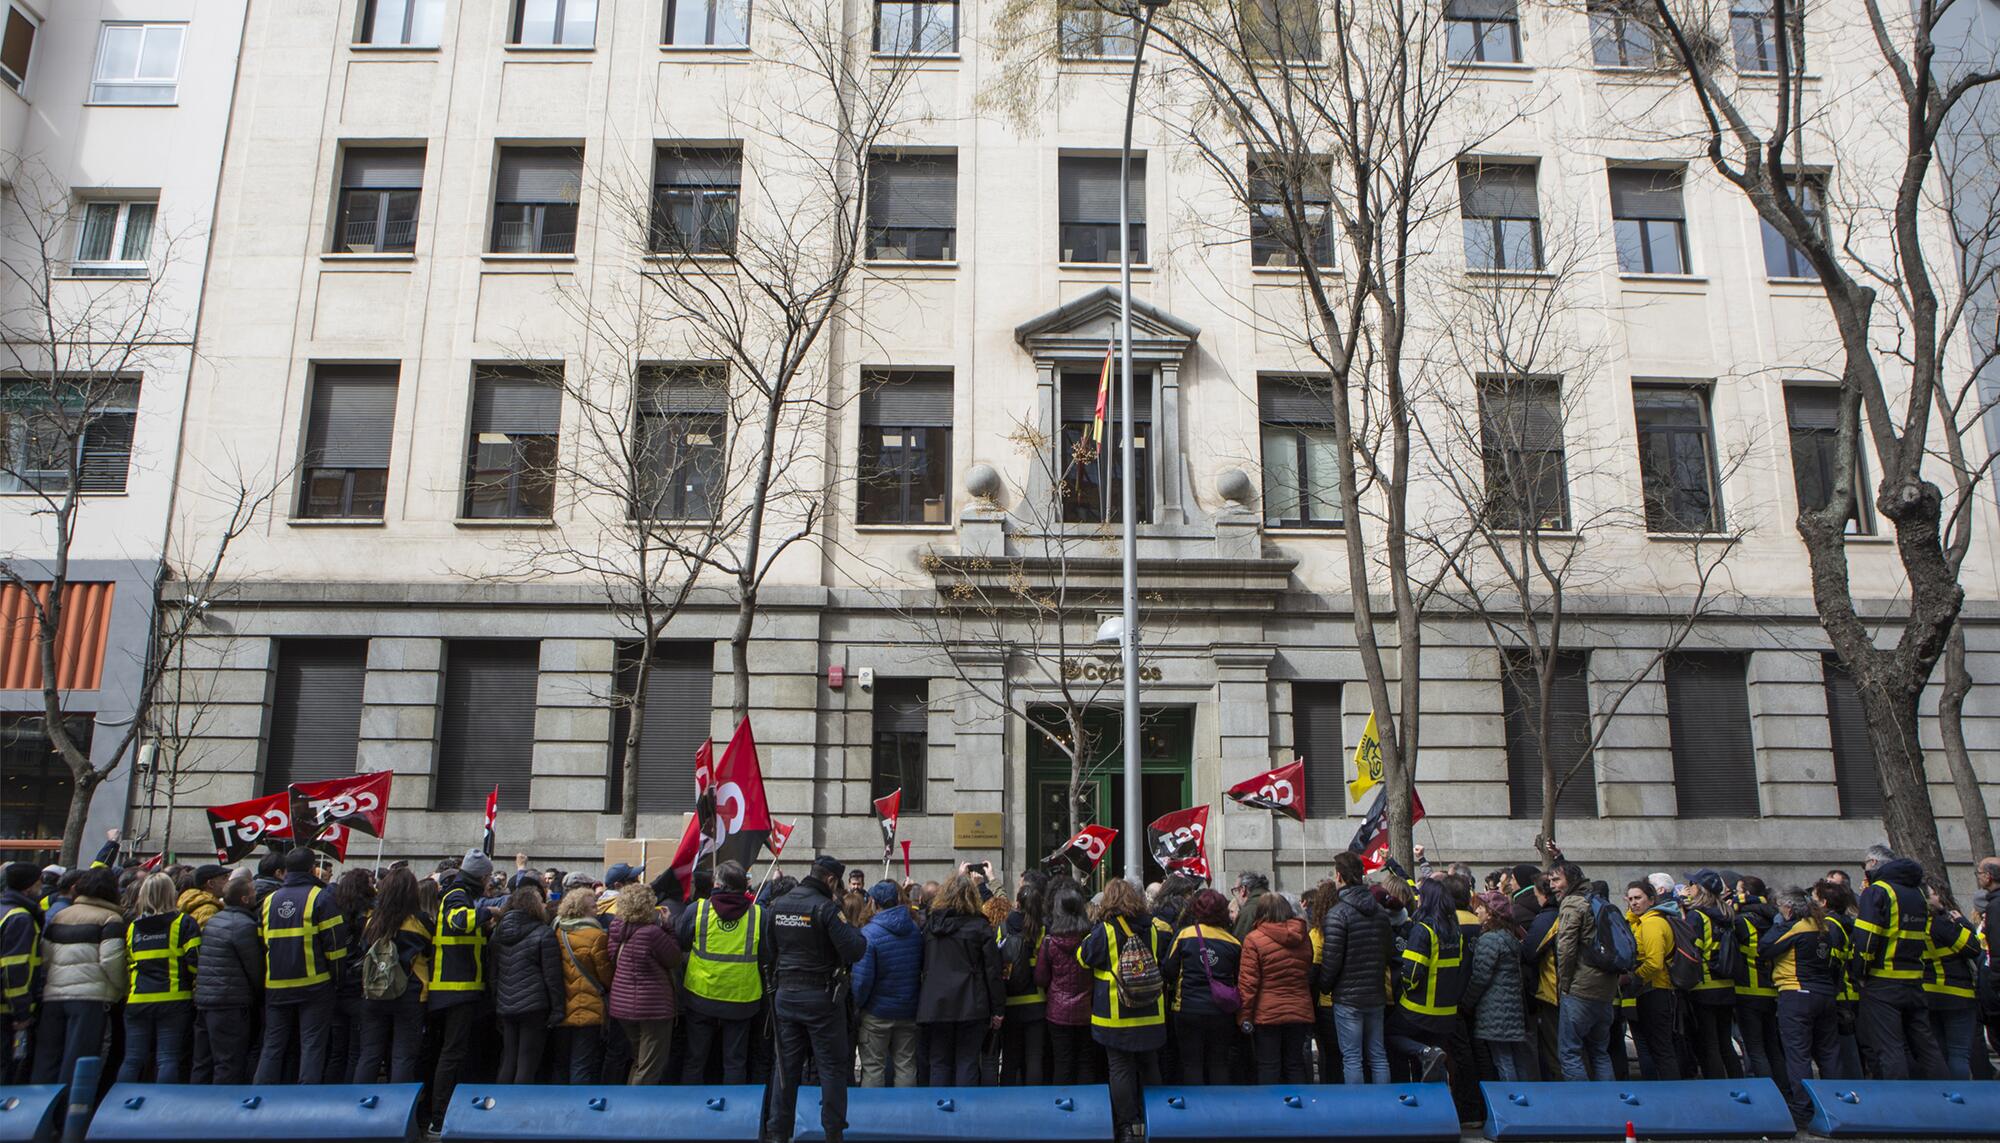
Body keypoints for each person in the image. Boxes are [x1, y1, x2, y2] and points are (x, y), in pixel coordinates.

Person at [764, 856, 868, 1143]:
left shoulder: (778, 905)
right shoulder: (826, 909)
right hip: (822, 999)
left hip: (786, 996)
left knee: (785, 1068)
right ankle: (833, 1132)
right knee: (832, 1068)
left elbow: (769, 951)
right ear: (832, 880)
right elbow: (855, 950)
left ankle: (777, 1133)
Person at [1079, 878, 1167, 1143]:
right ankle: (1156, 1121)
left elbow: (1083, 958)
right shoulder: (1152, 928)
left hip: (1115, 1014)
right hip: (1151, 1011)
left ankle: (1126, 1127)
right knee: (1150, 1065)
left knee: (1120, 1069)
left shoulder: (1105, 930)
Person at [254, 846, 349, 1084]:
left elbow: (260, 944)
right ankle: (306, 1101)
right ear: (312, 869)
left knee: (273, 1046)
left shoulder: (268, 901)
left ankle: (259, 1100)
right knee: (312, 1047)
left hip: (276, 986)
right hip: (314, 986)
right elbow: (336, 948)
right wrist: (337, 981)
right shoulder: (322, 897)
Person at [1852, 853, 1947, 1078]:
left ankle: (1898, 1101)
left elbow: (1867, 937)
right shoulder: (1917, 894)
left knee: (1889, 1046)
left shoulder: (1878, 890)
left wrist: (1860, 972)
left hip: (1882, 979)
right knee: (1925, 1043)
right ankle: (1945, 1094)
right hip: (1913, 978)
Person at [30, 866, 125, 1089]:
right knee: (78, 1058)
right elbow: (111, 960)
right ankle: (69, 1113)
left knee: (47, 1057)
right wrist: (120, 989)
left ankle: (41, 1110)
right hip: (91, 998)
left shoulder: (60, 916)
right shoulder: (110, 919)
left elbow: (46, 956)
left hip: (54, 995)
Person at [676, 860, 770, 1084]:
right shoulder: (759, 915)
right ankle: (734, 1115)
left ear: (717, 883)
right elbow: (767, 955)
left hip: (701, 996)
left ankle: (690, 1111)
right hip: (742, 999)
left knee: (695, 1059)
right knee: (735, 1061)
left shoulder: (697, 909)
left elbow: (681, 941)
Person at [1766, 886, 1845, 1126]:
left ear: (1788, 909)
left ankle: (1803, 1109)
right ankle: (1836, 1104)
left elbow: (1765, 947)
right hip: (1825, 994)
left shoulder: (1795, 930)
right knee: (1829, 1053)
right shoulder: (1824, 928)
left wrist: (1781, 923)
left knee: (1798, 1054)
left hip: (1797, 994)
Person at [916, 873, 1004, 1086]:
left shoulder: (930, 927)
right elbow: (993, 971)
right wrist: (998, 1009)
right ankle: (965, 1113)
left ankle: (939, 1109)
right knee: (967, 1061)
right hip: (971, 1002)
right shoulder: (980, 928)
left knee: (939, 1061)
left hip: (936, 1003)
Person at [426, 851, 490, 1130]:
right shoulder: (457, 893)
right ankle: (439, 1119)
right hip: (455, 987)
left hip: (456, 986)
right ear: (482, 876)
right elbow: (459, 922)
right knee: (451, 1053)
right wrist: (490, 912)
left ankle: (441, 1113)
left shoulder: (460, 892)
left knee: (451, 1053)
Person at [349, 867, 429, 1083]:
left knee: (369, 1055)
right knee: (403, 1056)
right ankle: (399, 1110)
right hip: (410, 993)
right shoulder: (420, 922)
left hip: (373, 993)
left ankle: (360, 1106)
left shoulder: (371, 921)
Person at [117, 872, 200, 1082]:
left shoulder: (133, 927)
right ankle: (163, 1107)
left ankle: (120, 1106)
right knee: (168, 1059)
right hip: (174, 999)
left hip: (138, 999)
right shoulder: (183, 923)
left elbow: (128, 962)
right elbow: (195, 961)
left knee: (132, 1059)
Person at [1320, 850, 1393, 1084]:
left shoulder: (1337, 914)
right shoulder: (1381, 913)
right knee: (1378, 1054)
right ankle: (1384, 1104)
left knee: (1352, 1057)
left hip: (1348, 996)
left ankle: (1359, 1110)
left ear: (1340, 876)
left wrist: (1324, 986)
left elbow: (1332, 960)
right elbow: (1387, 951)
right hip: (1375, 992)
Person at [1546, 863, 1615, 1082]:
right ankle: (1609, 1102)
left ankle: (1582, 1108)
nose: (1552, 886)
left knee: (1570, 1052)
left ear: (1572, 880)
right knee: (1600, 1052)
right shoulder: (1596, 900)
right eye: (1550, 881)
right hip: (1605, 990)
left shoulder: (1572, 904)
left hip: (1580, 989)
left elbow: (1565, 949)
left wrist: (1564, 985)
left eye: (1556, 880)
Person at [1165, 887, 1241, 1085]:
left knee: (1191, 1064)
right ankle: (1218, 1109)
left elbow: (1169, 970)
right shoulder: (1233, 943)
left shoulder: (1184, 935)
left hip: (1187, 1009)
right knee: (1219, 1063)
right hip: (1221, 1012)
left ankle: (1195, 1111)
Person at [608, 882, 681, 1084]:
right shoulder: (652, 933)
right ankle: (635, 1110)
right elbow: (674, 958)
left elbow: (613, 958)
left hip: (622, 1005)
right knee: (650, 1066)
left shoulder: (615, 929)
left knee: (639, 1061)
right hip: (653, 1008)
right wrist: (669, 928)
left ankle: (630, 1102)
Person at [1237, 890, 1314, 1083]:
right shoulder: (1303, 936)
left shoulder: (1254, 939)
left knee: (1268, 1064)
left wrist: (1244, 1015)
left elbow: (1248, 983)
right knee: (1295, 1063)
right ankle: (1299, 1108)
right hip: (1299, 1009)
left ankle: (1271, 1109)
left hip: (1267, 1013)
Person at [489, 885, 563, 1083]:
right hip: (534, 1005)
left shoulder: (498, 933)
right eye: (540, 900)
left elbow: (493, 973)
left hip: (506, 1004)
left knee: (508, 1058)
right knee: (527, 1062)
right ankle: (518, 1109)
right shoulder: (543, 933)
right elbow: (552, 976)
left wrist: (496, 1001)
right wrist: (558, 1009)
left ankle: (500, 1105)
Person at [853, 880, 922, 1087]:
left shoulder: (869, 934)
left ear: (873, 902)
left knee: (874, 1067)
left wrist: (858, 1005)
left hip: (876, 1012)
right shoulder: (914, 929)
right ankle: (906, 1115)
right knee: (906, 1065)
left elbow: (862, 980)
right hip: (907, 1009)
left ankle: (872, 1116)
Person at [1464, 890, 1533, 1081]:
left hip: (1494, 1009)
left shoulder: (1490, 939)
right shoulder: (1508, 936)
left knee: (1503, 1060)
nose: (1477, 911)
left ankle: (1511, 1101)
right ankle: (1524, 1096)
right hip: (1511, 1008)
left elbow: (1480, 976)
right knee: (1517, 1058)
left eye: (1481, 907)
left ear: (1491, 912)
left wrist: (1467, 1002)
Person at [550, 882, 614, 1083]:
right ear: (583, 910)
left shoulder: (556, 931)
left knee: (560, 1063)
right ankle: (577, 1111)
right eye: (594, 906)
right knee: (582, 1064)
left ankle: (558, 1108)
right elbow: (606, 976)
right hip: (588, 1009)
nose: (598, 909)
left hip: (560, 1006)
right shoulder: (596, 935)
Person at [1682, 870, 1743, 1079]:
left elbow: (1691, 951)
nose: (1688, 887)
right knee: (1725, 1042)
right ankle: (1737, 1083)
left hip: (1704, 987)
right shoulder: (1728, 914)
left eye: (1691, 883)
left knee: (1709, 1044)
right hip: (1726, 985)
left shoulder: (1696, 916)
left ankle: (1716, 1087)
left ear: (1700, 889)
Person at [1038, 877, 1098, 1085]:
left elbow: (1041, 977)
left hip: (1058, 1010)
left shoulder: (1050, 942)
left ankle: (1062, 1107)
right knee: (1085, 1061)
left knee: (1062, 1062)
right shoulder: (1090, 939)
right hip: (1086, 1009)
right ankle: (1088, 1108)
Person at [1919, 875, 1978, 1079]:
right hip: (1956, 994)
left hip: (1927, 995)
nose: (1939, 899)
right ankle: (1959, 1095)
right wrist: (1962, 922)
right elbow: (1973, 947)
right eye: (1934, 894)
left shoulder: (1911, 924)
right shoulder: (1940, 924)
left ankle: (1943, 1097)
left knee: (1939, 1053)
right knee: (1959, 1053)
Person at [1732, 877, 1786, 1087]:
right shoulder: (1774, 919)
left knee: (1755, 1048)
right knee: (1773, 1046)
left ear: (1746, 894)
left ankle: (1764, 1091)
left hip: (1748, 989)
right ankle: (1784, 1090)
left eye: (1737, 890)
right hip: (1772, 990)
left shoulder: (1741, 921)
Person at [1624, 880, 1679, 1081]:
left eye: (1638, 898)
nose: (1633, 903)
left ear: (1651, 899)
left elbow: (1654, 963)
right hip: (1646, 991)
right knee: (1650, 1047)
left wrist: (1633, 978)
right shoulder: (1641, 922)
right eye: (1630, 899)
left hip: (1656, 990)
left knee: (1660, 1049)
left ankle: (1669, 1092)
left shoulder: (1652, 923)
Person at [1813, 878, 1866, 1079]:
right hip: (1849, 992)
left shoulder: (1829, 926)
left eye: (1815, 899)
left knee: (1844, 1051)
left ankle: (1851, 1089)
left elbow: (1831, 963)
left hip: (1839, 994)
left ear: (1824, 903)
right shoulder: (1846, 922)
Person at [998, 878, 1049, 1085]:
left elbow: (997, 960)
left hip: (1010, 1001)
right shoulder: (1043, 929)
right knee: (1034, 1058)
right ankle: (1035, 1103)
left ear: (1016, 903)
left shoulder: (1003, 927)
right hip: (1037, 1001)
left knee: (1010, 1058)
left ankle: (1009, 1104)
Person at [1, 863, 44, 1085]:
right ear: (28, 886)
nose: (41, 886)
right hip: (7, 1011)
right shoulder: (20, 918)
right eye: (39, 881)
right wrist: (22, 1013)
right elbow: (14, 969)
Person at [1519, 876, 1561, 1077]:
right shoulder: (1563, 912)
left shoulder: (1546, 918)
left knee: (1556, 1050)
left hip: (1553, 990)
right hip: (1570, 990)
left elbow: (1529, 952)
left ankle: (1567, 1096)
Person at [1231, 872, 1270, 940]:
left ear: (1243, 890)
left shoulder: (1248, 912)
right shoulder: (1277, 903)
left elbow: (1239, 944)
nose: (1235, 897)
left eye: (1236, 890)